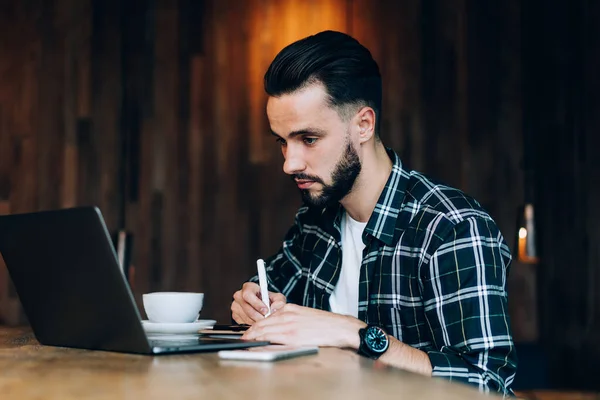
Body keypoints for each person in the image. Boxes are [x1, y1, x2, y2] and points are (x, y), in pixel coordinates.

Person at [231, 30, 517, 395]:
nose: (290, 163)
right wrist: (251, 304)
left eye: (309, 139)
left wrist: (354, 333)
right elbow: (266, 299)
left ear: (364, 124)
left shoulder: (451, 227)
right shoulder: (315, 221)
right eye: (282, 142)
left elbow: (488, 385)